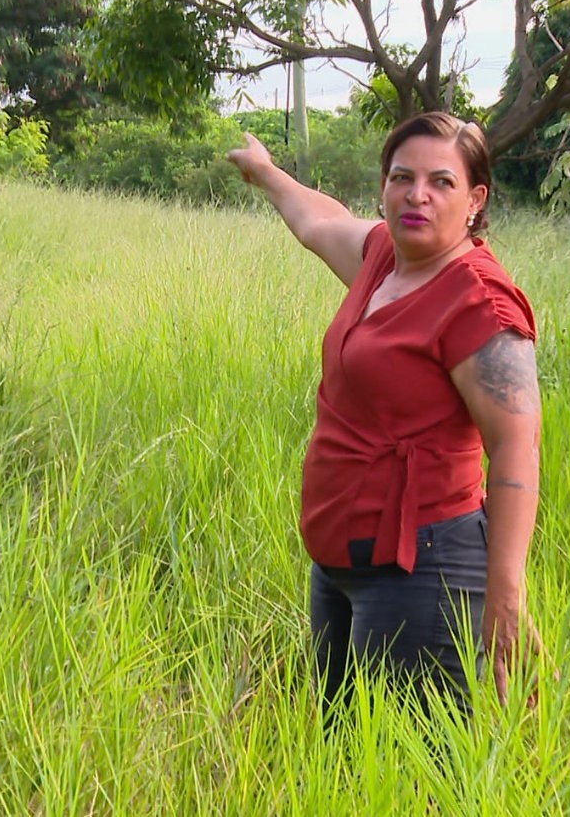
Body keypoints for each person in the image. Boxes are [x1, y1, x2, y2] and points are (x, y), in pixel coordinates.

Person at [226, 112, 545, 717]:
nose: (417, 194)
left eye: (442, 182)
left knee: (413, 759)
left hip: (423, 567)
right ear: (384, 185)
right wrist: (266, 173)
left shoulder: (478, 301)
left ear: (475, 200)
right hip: (341, 560)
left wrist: (506, 589)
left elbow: (516, 446)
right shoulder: (384, 260)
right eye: (403, 177)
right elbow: (319, 220)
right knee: (341, 746)